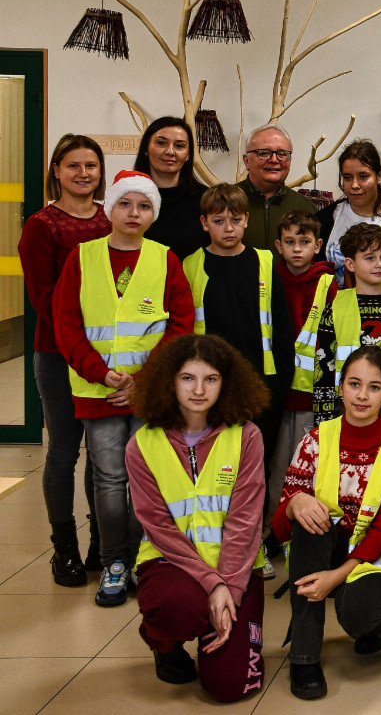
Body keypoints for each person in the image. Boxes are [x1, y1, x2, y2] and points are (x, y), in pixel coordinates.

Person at [54, 169, 195, 606]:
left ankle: (143, 560)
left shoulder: (165, 259)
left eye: (144, 205)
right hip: (97, 392)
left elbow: (181, 324)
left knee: (146, 479)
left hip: (149, 395)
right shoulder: (81, 257)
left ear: (154, 214)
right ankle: (114, 561)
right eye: (125, 204)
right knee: (110, 479)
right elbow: (66, 324)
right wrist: (100, 373)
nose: (134, 213)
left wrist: (144, 380)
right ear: (109, 208)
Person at [273, 345, 381, 700]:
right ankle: (305, 658)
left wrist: (336, 577)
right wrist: (294, 504)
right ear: (340, 388)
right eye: (354, 384)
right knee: (308, 524)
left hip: (377, 554)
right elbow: (279, 529)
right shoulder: (314, 441)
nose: (362, 395)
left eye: (374, 387)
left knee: (357, 612)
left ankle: (371, 623)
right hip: (322, 548)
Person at [126, 334, 270, 701]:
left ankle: (215, 626)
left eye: (211, 379)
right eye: (188, 378)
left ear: (226, 383)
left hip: (236, 568)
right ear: (170, 381)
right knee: (172, 608)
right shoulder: (142, 445)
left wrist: (229, 589)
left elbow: (246, 522)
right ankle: (165, 644)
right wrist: (212, 585)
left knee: (229, 686)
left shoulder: (247, 436)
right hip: (171, 563)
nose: (199, 390)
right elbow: (159, 527)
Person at [19, 133, 108, 585]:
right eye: (73, 165)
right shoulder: (42, 225)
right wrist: (79, 344)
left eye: (90, 165)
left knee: (101, 453)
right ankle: (64, 550)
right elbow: (43, 298)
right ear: (56, 170)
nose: (82, 173)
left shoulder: (111, 219)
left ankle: (100, 544)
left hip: (106, 357)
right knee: (63, 451)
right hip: (58, 354)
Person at [182, 182, 295, 516]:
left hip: (260, 383)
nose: (228, 228)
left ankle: (252, 535)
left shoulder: (265, 262)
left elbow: (281, 325)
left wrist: (281, 383)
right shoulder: (191, 265)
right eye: (218, 221)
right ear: (204, 223)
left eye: (235, 220)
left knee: (255, 466)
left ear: (246, 219)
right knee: (213, 465)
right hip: (208, 387)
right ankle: (213, 533)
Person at [303, 223, 381, 432]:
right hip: (348, 407)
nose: (379, 264)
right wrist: (323, 420)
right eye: (369, 258)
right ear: (350, 264)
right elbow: (323, 368)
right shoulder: (335, 308)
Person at [272, 209, 336, 523]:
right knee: (275, 466)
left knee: (308, 467)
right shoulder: (268, 279)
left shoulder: (328, 283)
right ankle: (271, 530)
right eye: (289, 242)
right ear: (278, 246)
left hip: (313, 394)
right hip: (275, 392)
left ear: (318, 245)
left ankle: (302, 528)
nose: (297, 248)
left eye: (305, 241)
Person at [134, 116, 208, 260]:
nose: (170, 151)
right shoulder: (128, 197)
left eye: (179, 146)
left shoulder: (206, 199)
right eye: (161, 143)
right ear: (146, 148)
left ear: (188, 155)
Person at [237, 125, 315, 252]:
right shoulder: (224, 202)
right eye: (264, 153)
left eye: (282, 154)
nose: (274, 160)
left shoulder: (306, 208)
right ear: (246, 161)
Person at [317, 139, 381, 279]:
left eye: (363, 176)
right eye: (348, 177)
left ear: (379, 176)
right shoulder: (326, 218)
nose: (355, 185)